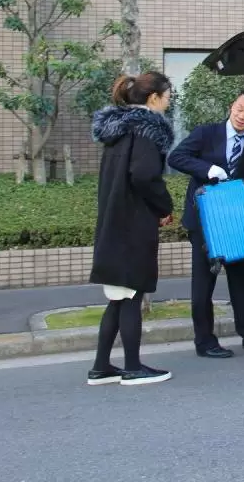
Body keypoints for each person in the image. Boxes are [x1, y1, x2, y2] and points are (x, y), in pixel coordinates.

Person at [167, 89, 244, 358]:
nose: (242, 116)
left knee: (242, 279)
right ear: (232, 106)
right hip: (205, 222)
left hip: (234, 223)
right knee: (203, 284)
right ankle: (205, 341)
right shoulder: (207, 133)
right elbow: (176, 157)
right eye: (239, 109)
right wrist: (207, 170)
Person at [88, 71, 176, 386]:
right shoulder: (147, 131)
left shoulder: (117, 131)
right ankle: (133, 367)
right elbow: (144, 176)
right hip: (132, 226)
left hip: (114, 223)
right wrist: (165, 206)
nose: (169, 101)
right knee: (131, 296)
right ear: (154, 98)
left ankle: (101, 367)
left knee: (117, 297)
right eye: (168, 95)